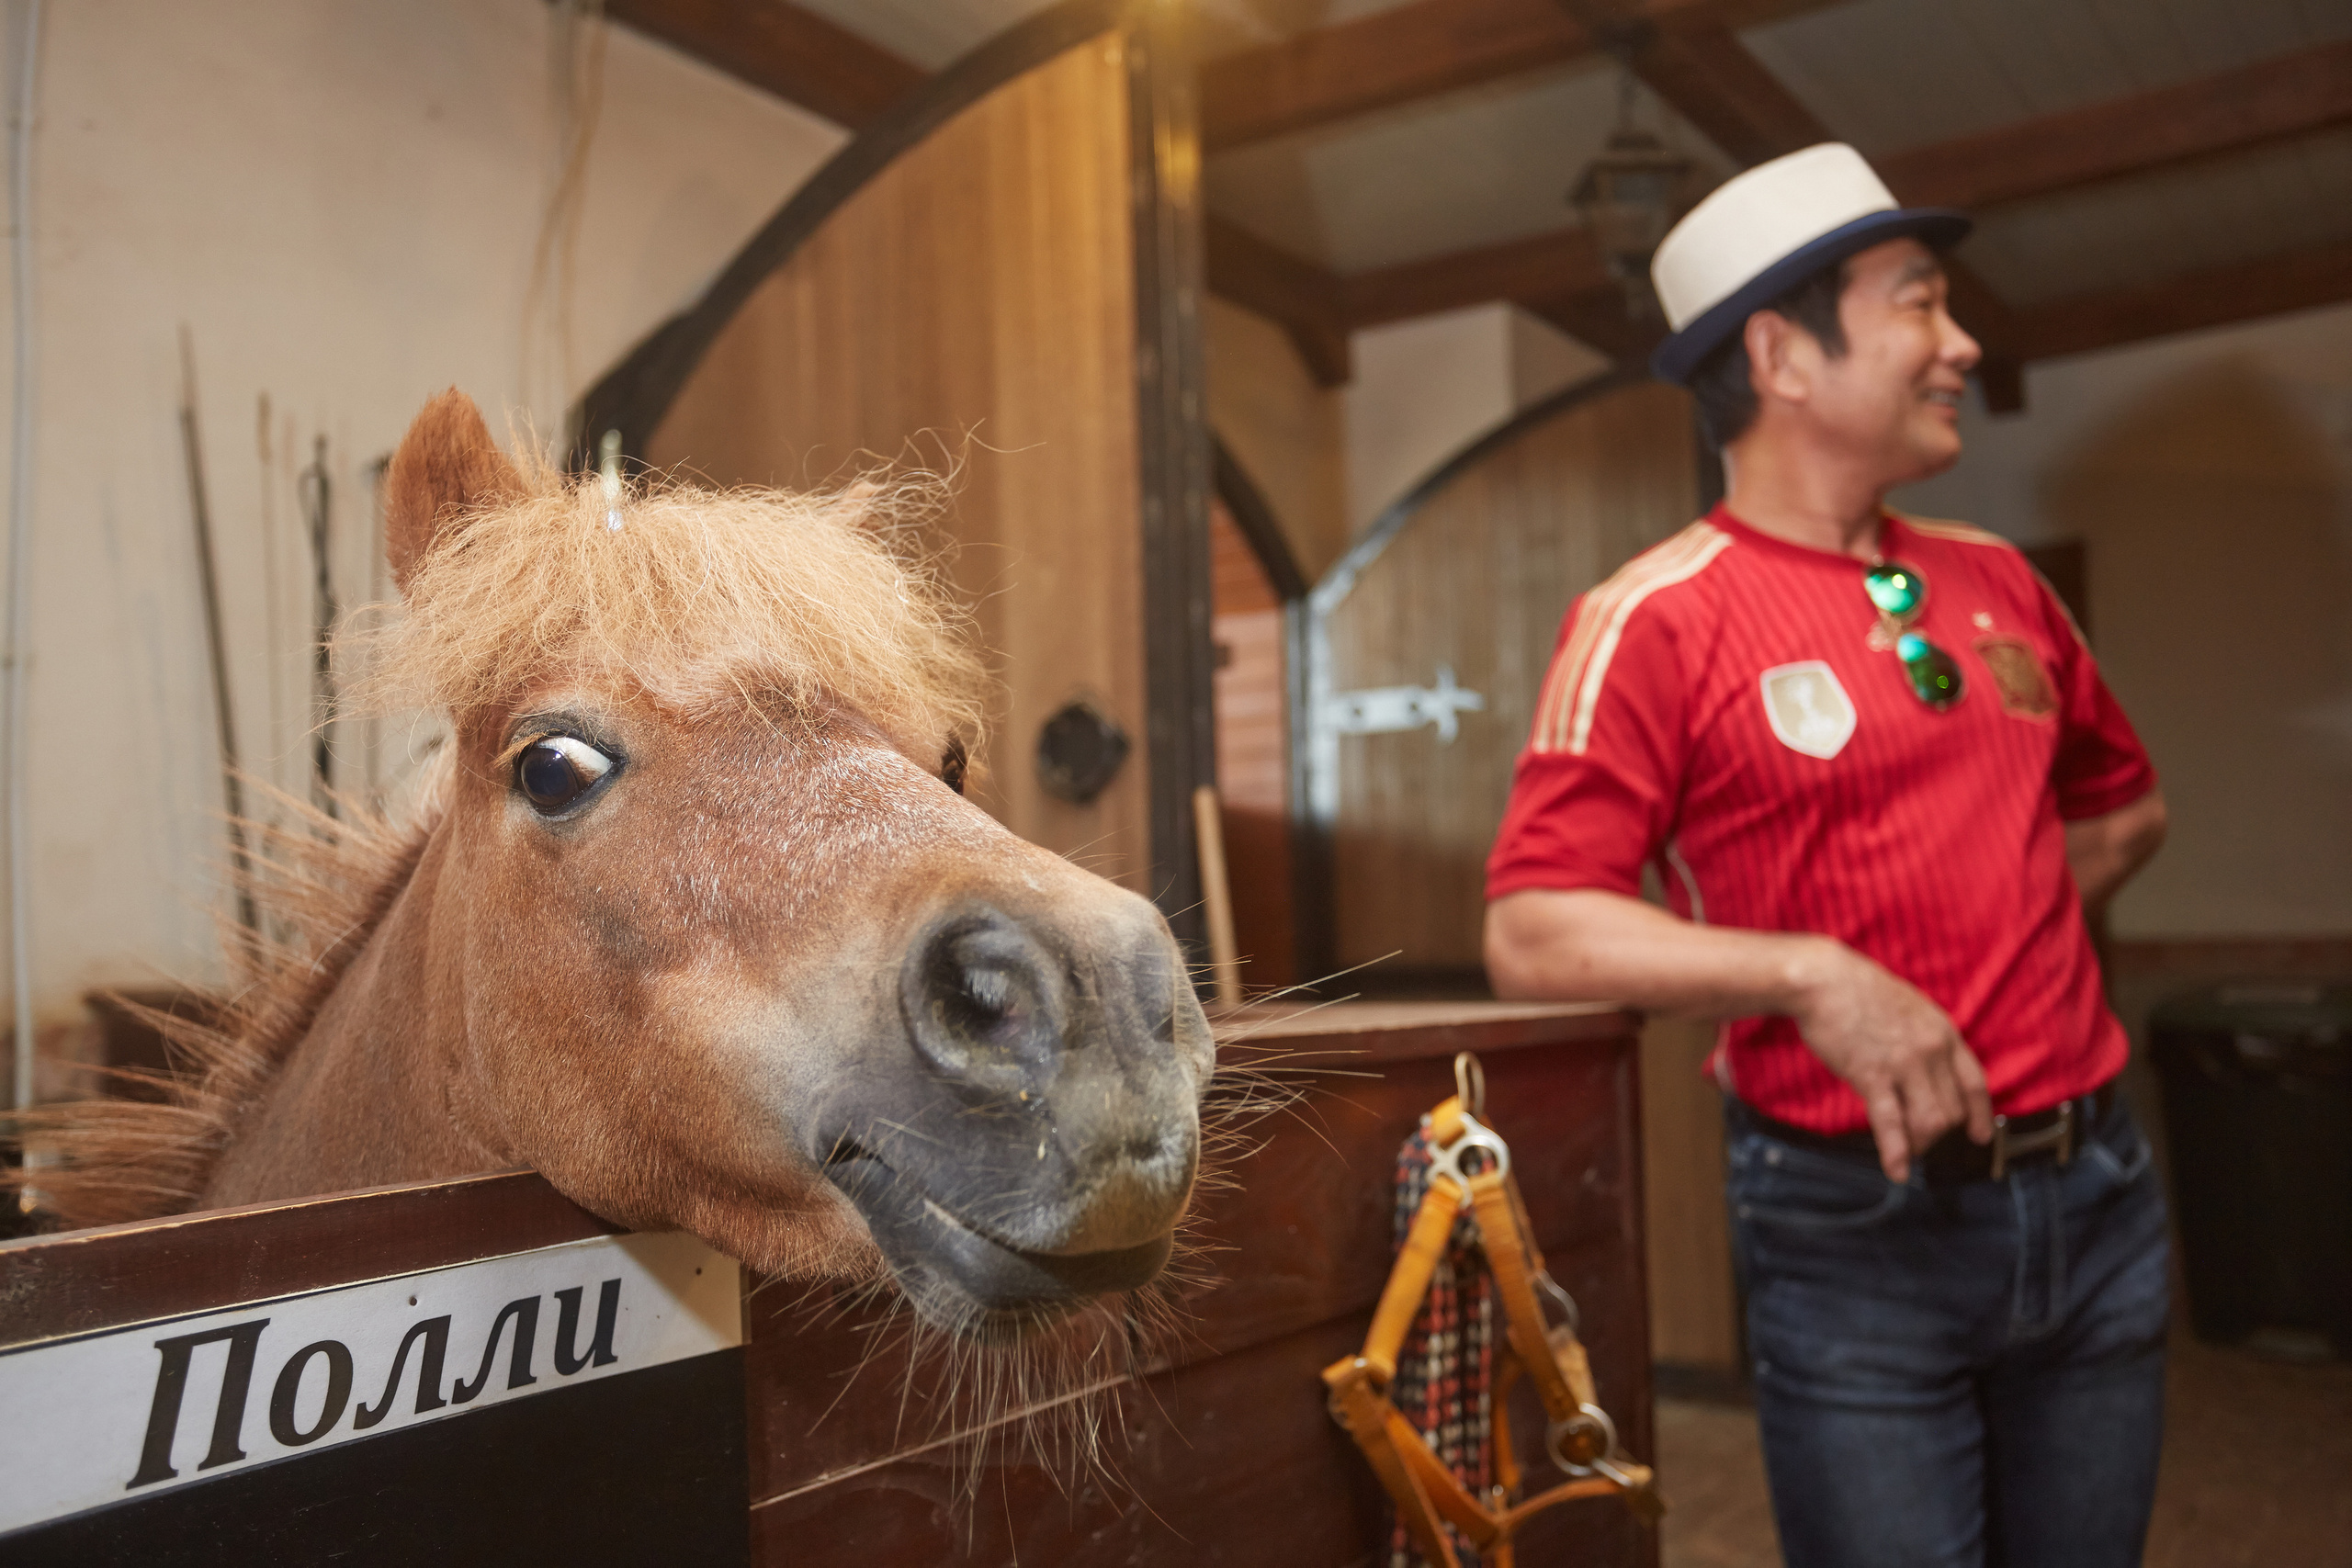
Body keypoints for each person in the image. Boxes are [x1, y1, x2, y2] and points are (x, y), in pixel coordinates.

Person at [1482, 144, 2171, 1567]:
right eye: (1922, 305)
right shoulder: (1654, 616)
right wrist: (1817, 975)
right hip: (1855, 1230)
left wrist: (1994, 936)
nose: (1962, 343)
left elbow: (2120, 812)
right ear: (1785, 354)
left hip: (2099, 1192)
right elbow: (1537, 926)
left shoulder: (2000, 581)